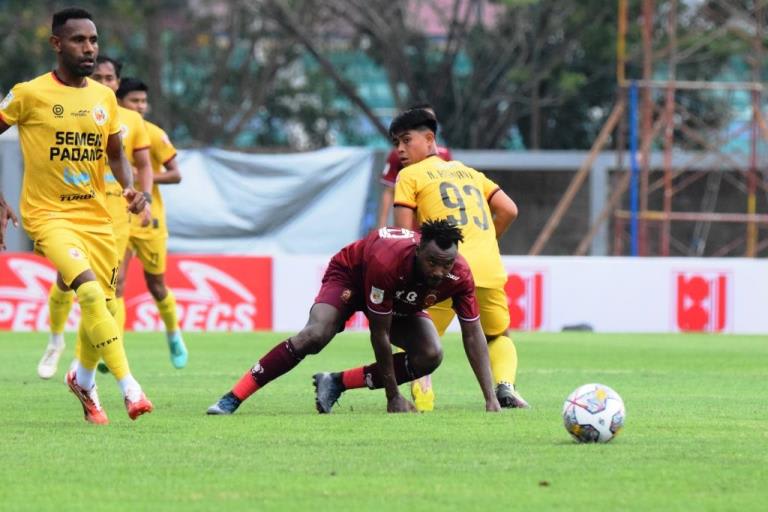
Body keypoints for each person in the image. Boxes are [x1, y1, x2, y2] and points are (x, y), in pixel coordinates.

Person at [0, 7, 153, 424]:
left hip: (98, 219)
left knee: (100, 306)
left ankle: (83, 379)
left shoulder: (104, 98)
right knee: (87, 293)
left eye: (93, 40)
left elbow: (116, 153)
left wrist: (129, 188)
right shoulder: (28, 94)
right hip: (48, 216)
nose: (89, 48)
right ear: (56, 43)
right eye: (78, 40)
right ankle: (130, 387)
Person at [207, 219, 501, 415]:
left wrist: (490, 399)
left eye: (446, 264)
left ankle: (335, 382)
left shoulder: (459, 274)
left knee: (430, 355)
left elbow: (473, 333)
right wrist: (392, 397)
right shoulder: (389, 260)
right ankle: (232, 397)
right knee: (315, 335)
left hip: (398, 294)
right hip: (351, 276)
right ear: (418, 249)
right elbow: (380, 334)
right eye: (432, 262)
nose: (439, 271)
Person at [392, 107, 529, 410]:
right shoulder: (470, 172)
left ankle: (423, 389)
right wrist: (488, 241)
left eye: (405, 140)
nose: (400, 149)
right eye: (396, 143)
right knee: (497, 334)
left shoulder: (409, 176)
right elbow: (509, 209)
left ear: (429, 139)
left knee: (418, 337)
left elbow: (402, 234)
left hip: (443, 268)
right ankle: (505, 386)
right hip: (488, 267)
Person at [36, 55, 154, 379]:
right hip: (73, 209)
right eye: (99, 76)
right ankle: (55, 340)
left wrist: (146, 200)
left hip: (114, 216)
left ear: (118, 82)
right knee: (67, 281)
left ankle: (84, 363)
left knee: (109, 292)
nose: (104, 82)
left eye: (110, 77)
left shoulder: (130, 120)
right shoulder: (69, 108)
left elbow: (142, 164)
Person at [112, 77, 187, 369]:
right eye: (135, 101)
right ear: (121, 101)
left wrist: (141, 177)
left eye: (144, 101)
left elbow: (176, 174)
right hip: (117, 216)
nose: (141, 106)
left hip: (149, 219)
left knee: (156, 285)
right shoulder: (110, 129)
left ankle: (173, 334)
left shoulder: (154, 133)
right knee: (116, 284)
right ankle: (114, 345)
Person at [377, 103, 451, 229]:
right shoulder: (398, 156)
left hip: (437, 227)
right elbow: (389, 190)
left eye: (431, 121)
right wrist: (381, 225)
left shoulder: (445, 155)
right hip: (409, 227)